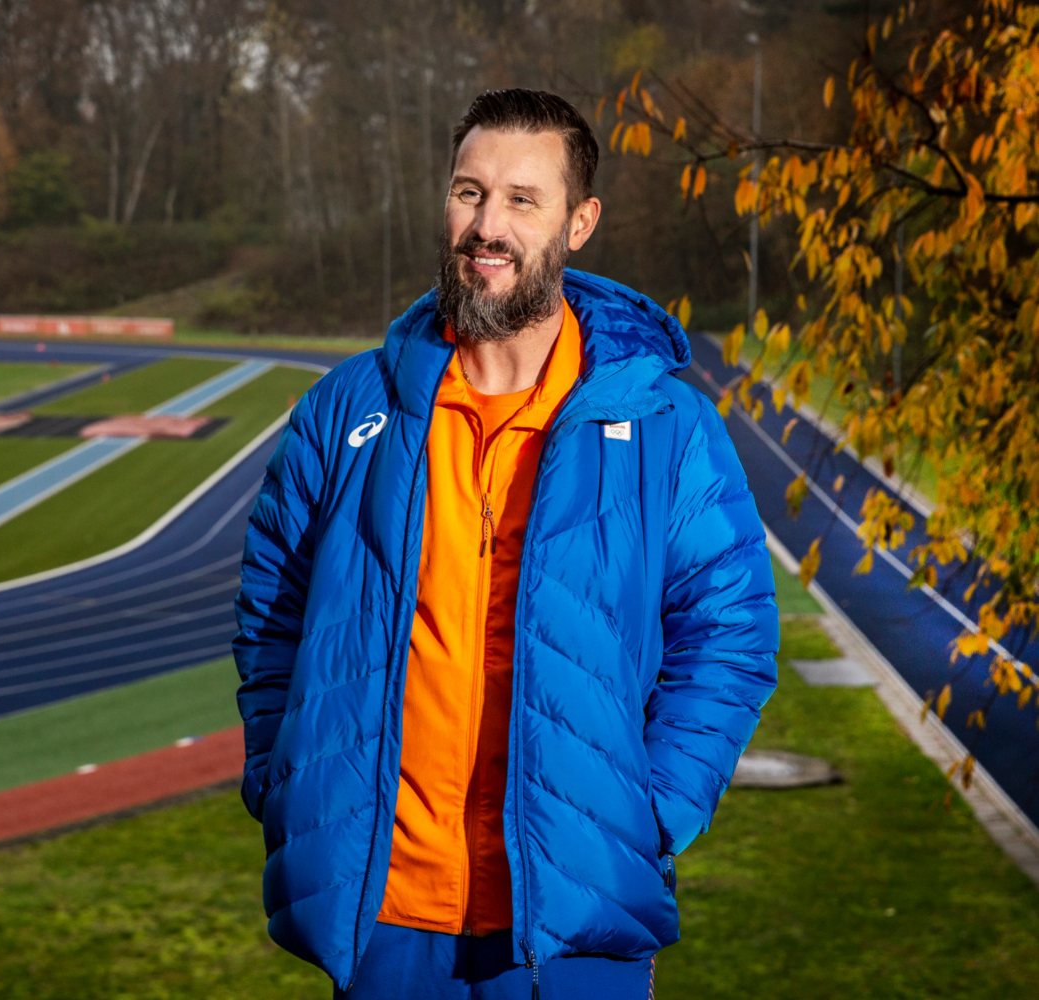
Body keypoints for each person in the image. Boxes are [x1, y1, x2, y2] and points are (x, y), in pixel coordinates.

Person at [233, 89, 778, 999]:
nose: (488, 225)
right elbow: (271, 619)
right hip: (385, 917)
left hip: (575, 922)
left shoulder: (664, 425)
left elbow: (729, 635)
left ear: (580, 223)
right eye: (469, 192)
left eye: (523, 199)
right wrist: (285, 783)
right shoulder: (347, 409)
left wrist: (650, 815)